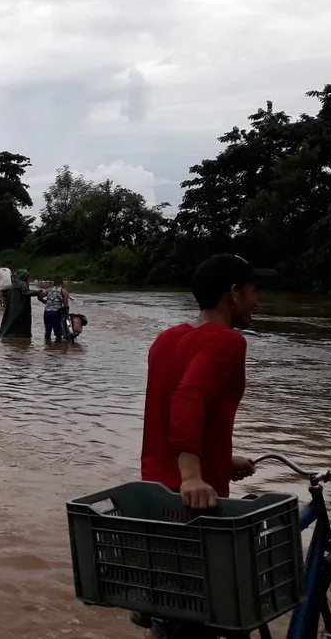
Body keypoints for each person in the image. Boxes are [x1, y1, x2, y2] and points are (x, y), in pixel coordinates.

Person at [136, 253, 261, 639]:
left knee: (176, 614)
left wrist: (222, 460)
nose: (257, 302)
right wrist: (192, 476)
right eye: (254, 292)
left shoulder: (166, 339)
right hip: (195, 504)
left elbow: (170, 410)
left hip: (155, 498)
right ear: (233, 294)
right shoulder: (227, 341)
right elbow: (188, 397)